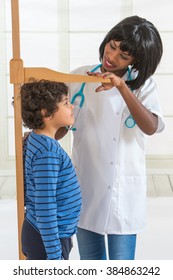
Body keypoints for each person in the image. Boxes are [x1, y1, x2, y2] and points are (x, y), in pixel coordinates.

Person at [66, 15, 165, 260]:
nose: (112, 57)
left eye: (124, 56)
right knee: (92, 268)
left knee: (122, 270)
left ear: (137, 60)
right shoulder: (79, 78)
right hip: (86, 189)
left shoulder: (144, 86)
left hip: (123, 194)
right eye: (112, 46)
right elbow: (60, 127)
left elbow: (151, 126)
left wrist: (122, 87)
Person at [21, 80, 82, 260]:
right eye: (65, 103)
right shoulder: (47, 152)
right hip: (48, 239)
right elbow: (45, 206)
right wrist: (54, 255)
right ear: (46, 113)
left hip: (42, 233)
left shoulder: (36, 139)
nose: (72, 106)